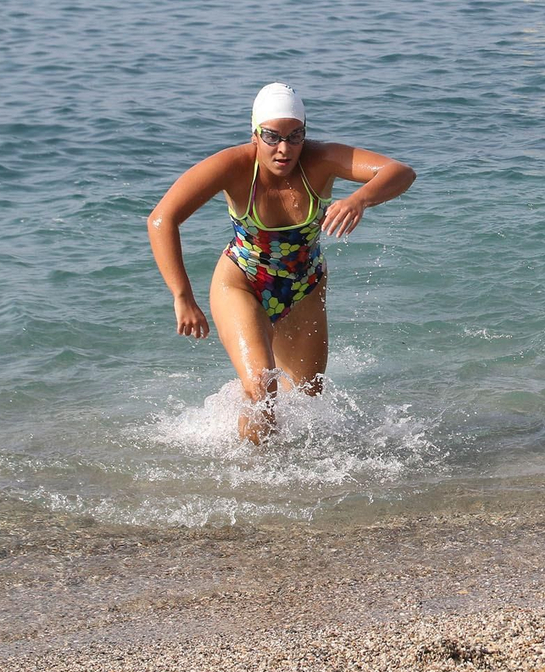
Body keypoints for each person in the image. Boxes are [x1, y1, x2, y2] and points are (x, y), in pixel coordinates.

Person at [147, 83, 416, 444]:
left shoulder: (320, 159)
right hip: (242, 281)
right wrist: (182, 296)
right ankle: (250, 481)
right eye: (272, 137)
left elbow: (400, 172)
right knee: (262, 390)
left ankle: (288, 480)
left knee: (307, 400)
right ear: (255, 133)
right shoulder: (233, 165)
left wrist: (359, 200)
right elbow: (162, 219)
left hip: (305, 286)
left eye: (295, 136)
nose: (284, 148)